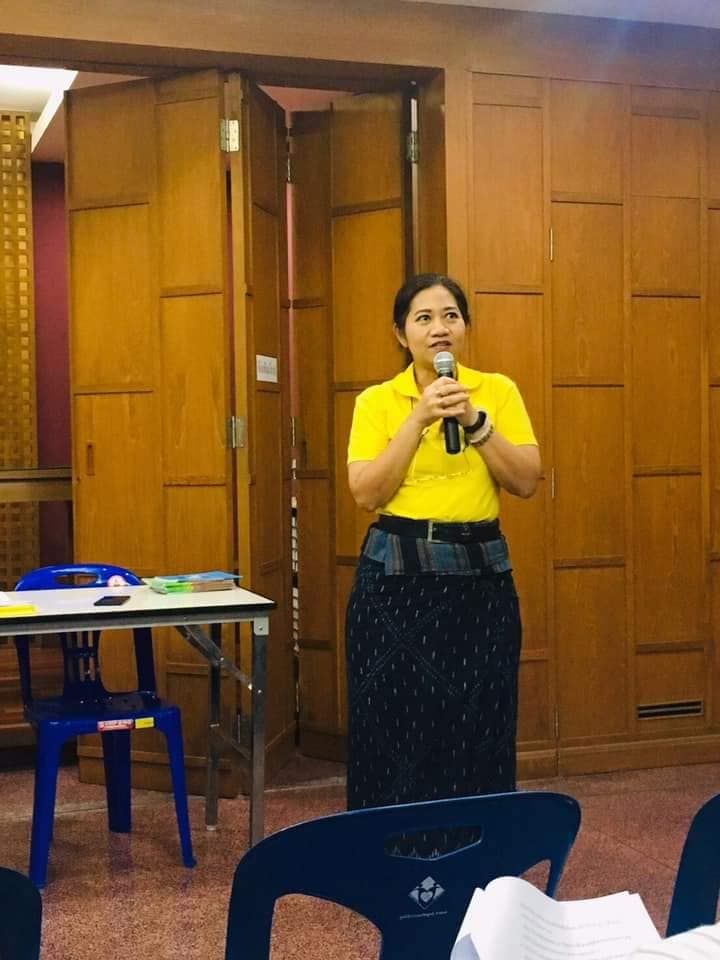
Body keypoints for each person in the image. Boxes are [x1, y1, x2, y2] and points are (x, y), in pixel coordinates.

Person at [345, 273, 541, 855]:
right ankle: (392, 857)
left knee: (480, 723)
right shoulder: (377, 402)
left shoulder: (496, 391)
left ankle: (475, 855)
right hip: (396, 584)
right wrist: (419, 418)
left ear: (466, 327)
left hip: (480, 581)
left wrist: (475, 423)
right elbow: (367, 492)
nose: (439, 328)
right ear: (400, 333)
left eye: (450, 315)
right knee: (397, 725)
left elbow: (526, 480)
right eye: (424, 318)